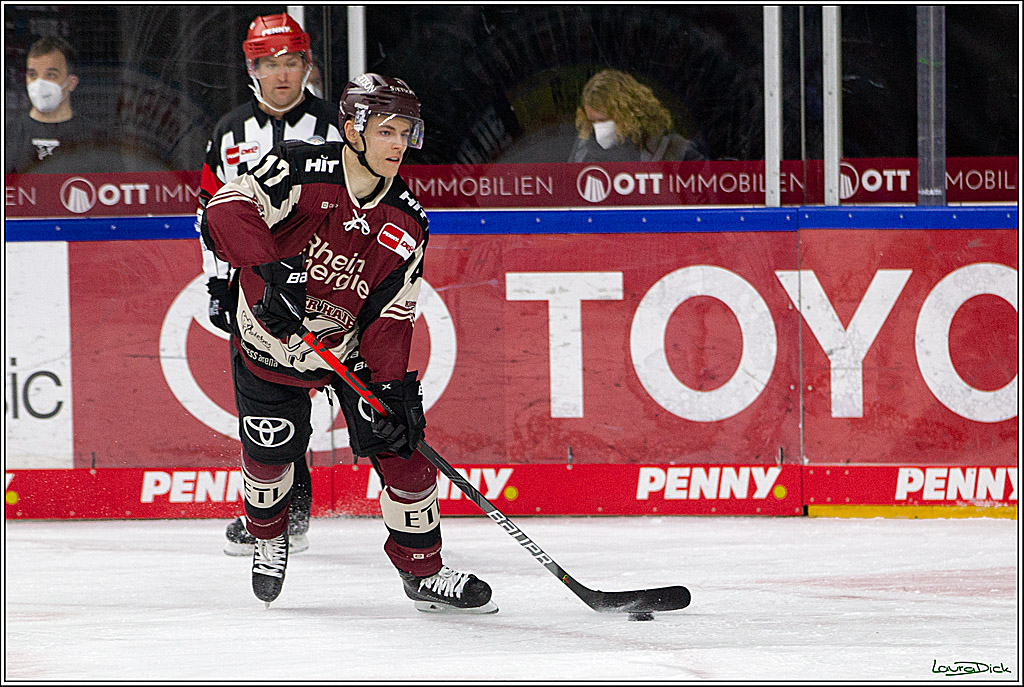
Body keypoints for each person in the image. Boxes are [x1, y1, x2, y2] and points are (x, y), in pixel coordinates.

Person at [201, 72, 497, 614]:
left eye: (407, 132)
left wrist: (389, 391)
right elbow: (222, 209)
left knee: (402, 449)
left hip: (346, 344)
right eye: (387, 130)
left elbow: (390, 311)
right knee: (269, 460)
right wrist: (269, 272)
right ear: (353, 128)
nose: (399, 144)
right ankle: (268, 535)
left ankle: (423, 574)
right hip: (269, 338)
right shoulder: (296, 164)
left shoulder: (408, 219)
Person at [194, 13, 343, 557]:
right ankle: (285, 511)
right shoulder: (228, 130)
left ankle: (409, 519)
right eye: (270, 64)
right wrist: (217, 283)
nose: (282, 74)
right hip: (254, 286)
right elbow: (208, 211)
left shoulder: (337, 124)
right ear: (252, 68)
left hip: (330, 280)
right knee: (268, 403)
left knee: (358, 395)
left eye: (292, 62)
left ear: (308, 65)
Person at [4, 36, 105, 174]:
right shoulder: (8, 136)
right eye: (33, 75)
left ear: (71, 82)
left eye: (51, 75)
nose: (39, 83)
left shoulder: (95, 138)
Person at [568, 68, 705, 163]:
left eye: (604, 120)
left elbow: (708, 199)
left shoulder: (676, 151)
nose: (599, 129)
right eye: (593, 121)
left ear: (627, 114)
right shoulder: (583, 153)